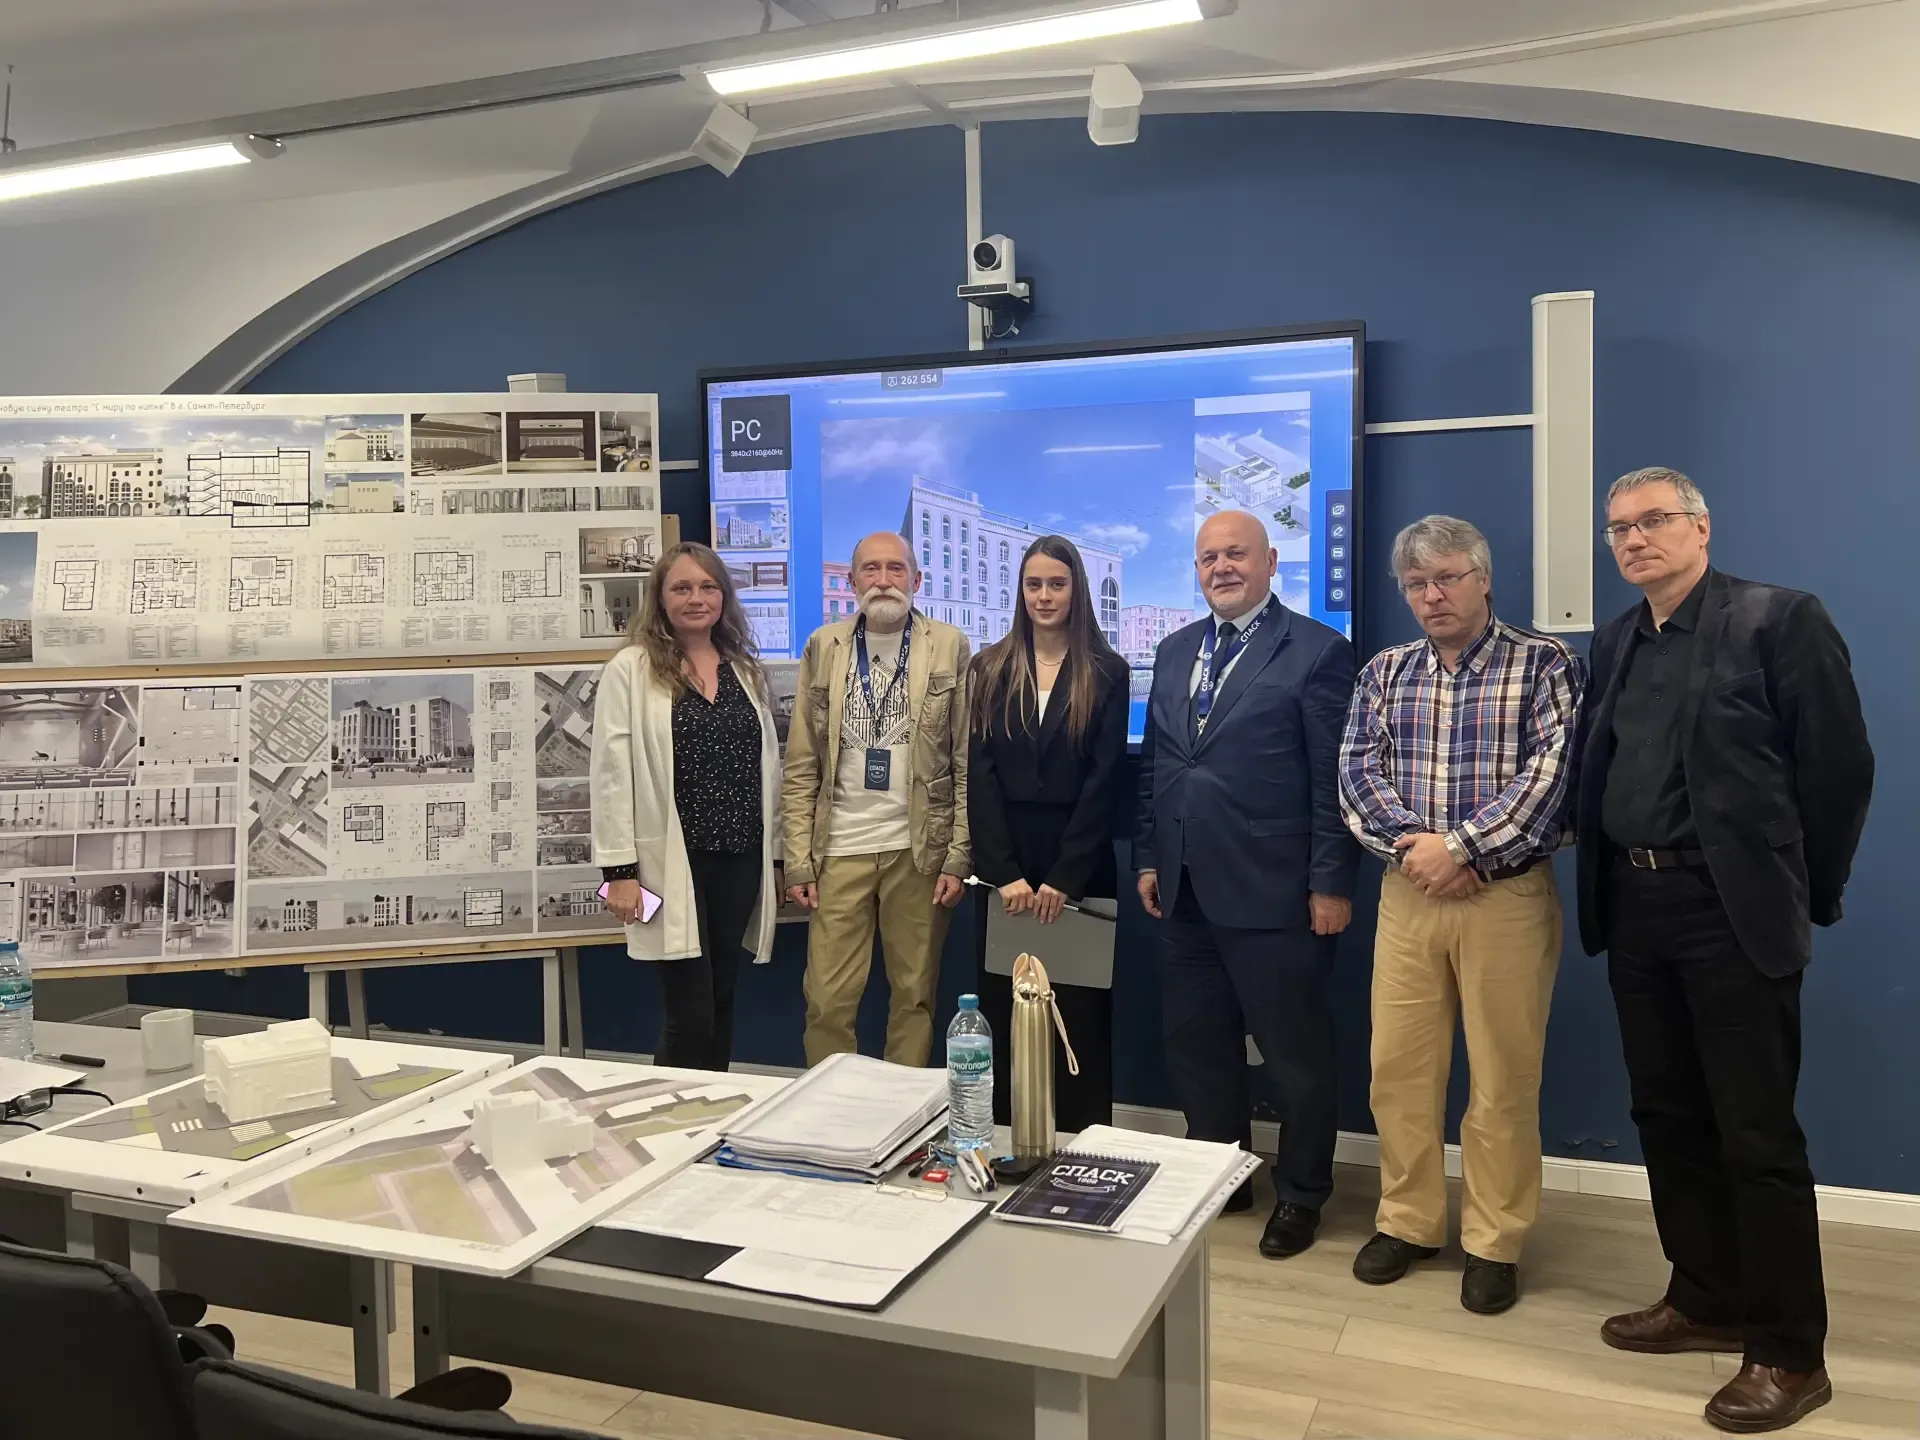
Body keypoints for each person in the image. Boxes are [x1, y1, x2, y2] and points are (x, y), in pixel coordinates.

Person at [1576, 467, 1872, 1434]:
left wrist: (1803, 891)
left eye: (1653, 521)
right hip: (1636, 904)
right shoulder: (1615, 639)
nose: (1634, 540)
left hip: (1731, 911)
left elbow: (1838, 771)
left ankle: (1790, 1352)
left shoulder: (1779, 620)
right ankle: (1705, 1296)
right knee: (1666, 1114)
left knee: (1756, 1134)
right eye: (1619, 528)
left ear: (1701, 527)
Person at [1339, 515, 1583, 1315]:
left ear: (1483, 578)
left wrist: (1462, 849)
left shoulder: (1545, 664)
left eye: (1447, 577)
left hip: (1504, 897)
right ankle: (1408, 1222)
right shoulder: (1385, 671)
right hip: (1408, 895)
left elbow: (1552, 777)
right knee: (1398, 1071)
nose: (1432, 595)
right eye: (1416, 584)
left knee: (1503, 1078)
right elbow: (1357, 774)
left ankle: (1493, 1241)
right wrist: (1418, 850)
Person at [1135, 508, 1358, 1260]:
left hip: (1279, 892)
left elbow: (1332, 781)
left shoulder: (1318, 652)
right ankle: (1221, 1175)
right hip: (1184, 888)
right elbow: (1158, 764)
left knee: (1295, 1057)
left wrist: (1331, 882)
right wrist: (1148, 857)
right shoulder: (1174, 650)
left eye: (1236, 554)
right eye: (1208, 558)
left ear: (1270, 563)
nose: (1221, 568)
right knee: (1198, 1048)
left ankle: (1301, 1194)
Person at [590, 542, 783, 1072]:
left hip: (739, 859)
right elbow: (611, 774)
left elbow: (768, 770)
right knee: (689, 1013)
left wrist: (777, 858)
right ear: (661, 598)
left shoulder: (744, 670)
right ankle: (672, 1108)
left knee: (721, 1001)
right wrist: (619, 873)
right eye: (682, 588)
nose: (696, 598)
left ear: (723, 596)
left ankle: (714, 1109)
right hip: (668, 865)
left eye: (707, 587)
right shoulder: (632, 669)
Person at [783, 531, 971, 1067]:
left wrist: (959, 854)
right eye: (870, 569)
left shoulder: (948, 645)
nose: (883, 580)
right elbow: (801, 763)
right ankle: (833, 1106)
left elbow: (965, 759)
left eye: (895, 569)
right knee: (826, 999)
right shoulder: (824, 646)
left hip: (919, 850)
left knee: (914, 995)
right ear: (851, 581)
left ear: (917, 580)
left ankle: (902, 1108)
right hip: (838, 847)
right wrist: (797, 861)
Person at [968, 535, 1131, 1130]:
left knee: (1079, 1016)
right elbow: (979, 775)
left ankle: (1080, 1143)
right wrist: (1002, 872)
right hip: (1006, 871)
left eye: (1056, 584)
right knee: (1007, 1012)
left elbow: (1105, 781)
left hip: (1079, 870)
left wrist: (1065, 877)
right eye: (1033, 584)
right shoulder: (989, 667)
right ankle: (1008, 1144)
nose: (1044, 596)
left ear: (1076, 590)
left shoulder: (1107, 672)